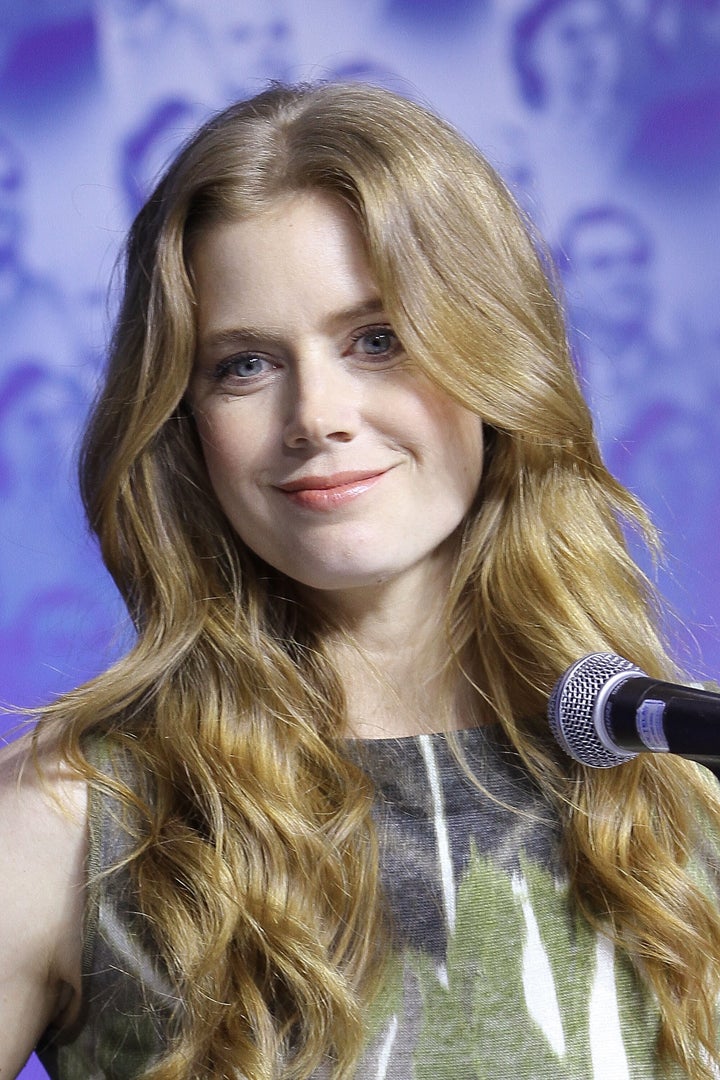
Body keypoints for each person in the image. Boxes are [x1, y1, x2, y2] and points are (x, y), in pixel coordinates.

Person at [1, 81, 719, 1080]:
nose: (319, 415)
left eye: (377, 340)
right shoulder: (78, 819)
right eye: (245, 364)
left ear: (492, 356)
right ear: (182, 424)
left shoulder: (685, 789)